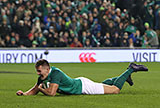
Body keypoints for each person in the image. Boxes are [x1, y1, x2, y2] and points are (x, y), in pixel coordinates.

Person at [16, 59, 148, 96]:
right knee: (103, 85)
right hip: (80, 83)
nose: (38, 74)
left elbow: (51, 93)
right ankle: (125, 77)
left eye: (39, 71)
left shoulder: (55, 73)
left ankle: (131, 69)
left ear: (47, 69)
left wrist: (41, 89)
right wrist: (24, 94)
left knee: (115, 90)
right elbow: (35, 88)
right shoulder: (43, 76)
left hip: (83, 87)